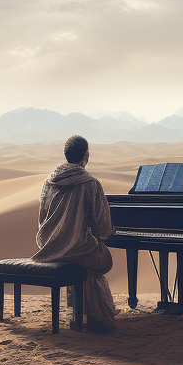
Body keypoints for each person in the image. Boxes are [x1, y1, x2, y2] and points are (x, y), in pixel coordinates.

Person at [32, 135, 119, 333]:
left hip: (49, 249)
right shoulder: (91, 183)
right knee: (102, 260)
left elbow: (42, 220)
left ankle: (79, 315)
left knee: (83, 259)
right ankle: (97, 318)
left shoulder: (49, 181)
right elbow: (103, 225)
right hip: (78, 249)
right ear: (85, 156)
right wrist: (101, 236)